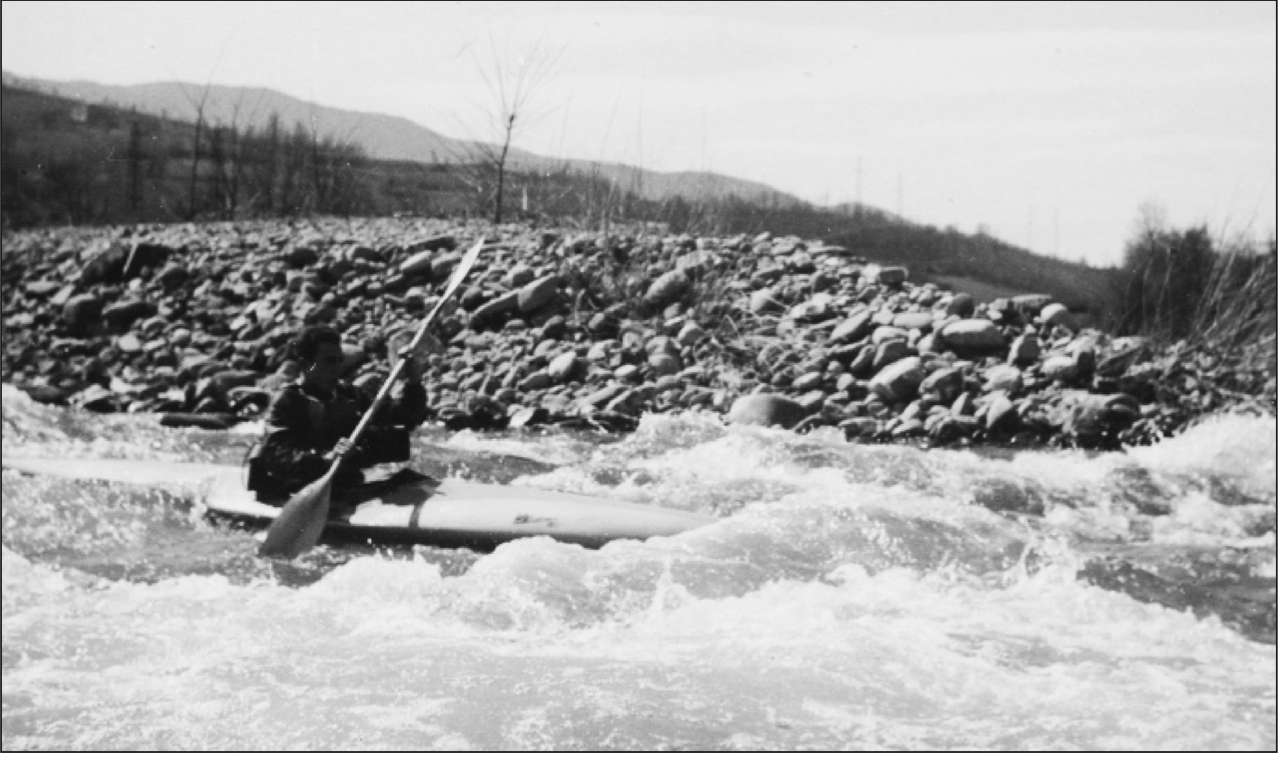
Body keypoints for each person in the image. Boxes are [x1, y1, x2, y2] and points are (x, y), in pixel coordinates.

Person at [247, 325, 433, 501]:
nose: (337, 368)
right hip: (293, 486)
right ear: (305, 365)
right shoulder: (286, 402)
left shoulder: (349, 395)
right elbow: (277, 456)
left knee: (390, 445)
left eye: (339, 360)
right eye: (329, 361)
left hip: (339, 481)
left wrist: (413, 382)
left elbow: (403, 418)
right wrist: (325, 459)